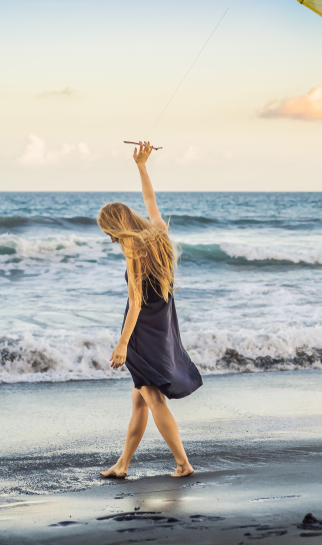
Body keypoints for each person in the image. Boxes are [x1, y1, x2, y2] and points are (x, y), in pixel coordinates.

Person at [96, 141, 203, 479]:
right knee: (139, 400)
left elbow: (136, 303)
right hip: (164, 330)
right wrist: (142, 166)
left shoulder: (134, 253)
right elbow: (150, 202)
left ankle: (183, 463)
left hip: (142, 336)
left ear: (118, 227)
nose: (111, 240)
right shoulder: (158, 233)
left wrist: (123, 343)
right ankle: (123, 464)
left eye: (110, 233)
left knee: (154, 399)